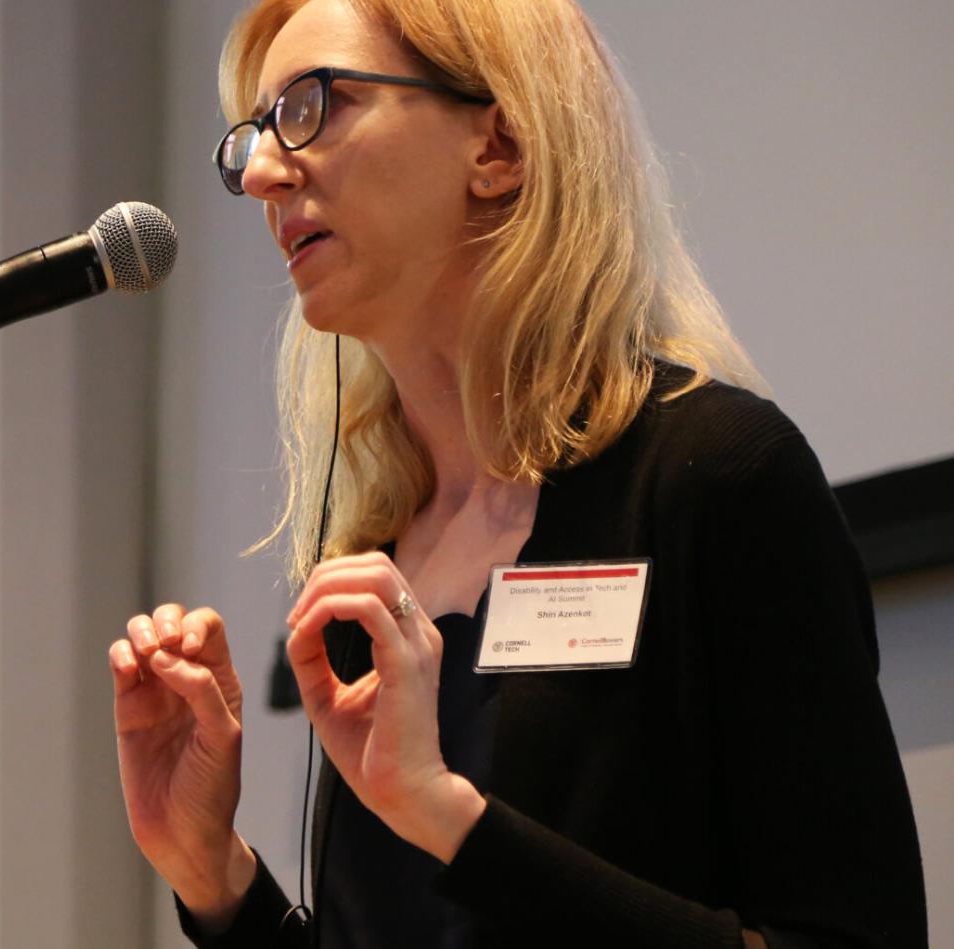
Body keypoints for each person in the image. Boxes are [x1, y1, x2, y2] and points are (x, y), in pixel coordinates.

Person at [107, 0, 929, 946]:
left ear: (496, 145)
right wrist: (212, 872)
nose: (259, 171)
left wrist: (453, 821)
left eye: (311, 105)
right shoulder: (374, 551)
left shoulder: (717, 477)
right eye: (252, 134)